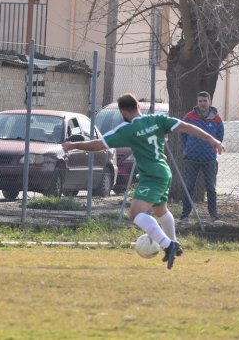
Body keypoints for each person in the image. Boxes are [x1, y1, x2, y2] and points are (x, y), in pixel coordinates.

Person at [63, 92, 224, 269]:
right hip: (164, 171)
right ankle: (174, 244)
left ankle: (168, 245)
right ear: (138, 107)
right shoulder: (158, 119)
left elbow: (99, 145)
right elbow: (186, 126)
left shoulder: (127, 130)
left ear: (123, 113)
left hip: (152, 175)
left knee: (135, 214)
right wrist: (211, 138)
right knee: (161, 210)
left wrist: (73, 145)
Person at [179, 91, 225, 225]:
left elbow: (220, 136)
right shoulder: (189, 116)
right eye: (200, 101)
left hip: (209, 159)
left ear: (209, 102)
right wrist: (190, 145)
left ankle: (214, 216)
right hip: (191, 158)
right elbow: (183, 133)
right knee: (189, 187)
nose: (203, 104)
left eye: (205, 101)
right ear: (197, 103)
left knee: (211, 187)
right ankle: (184, 217)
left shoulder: (216, 118)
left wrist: (212, 147)